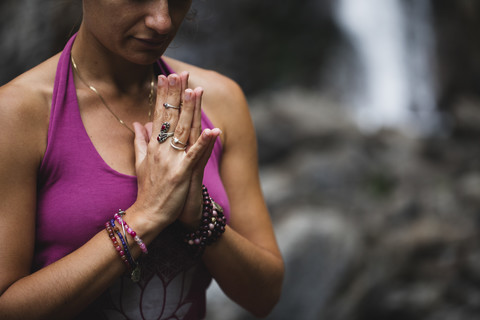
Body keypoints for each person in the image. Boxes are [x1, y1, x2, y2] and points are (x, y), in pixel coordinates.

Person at [0, 1, 284, 319]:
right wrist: (146, 216)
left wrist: (200, 215)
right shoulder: (16, 115)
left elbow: (265, 294)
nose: (162, 22)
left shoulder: (218, 101)